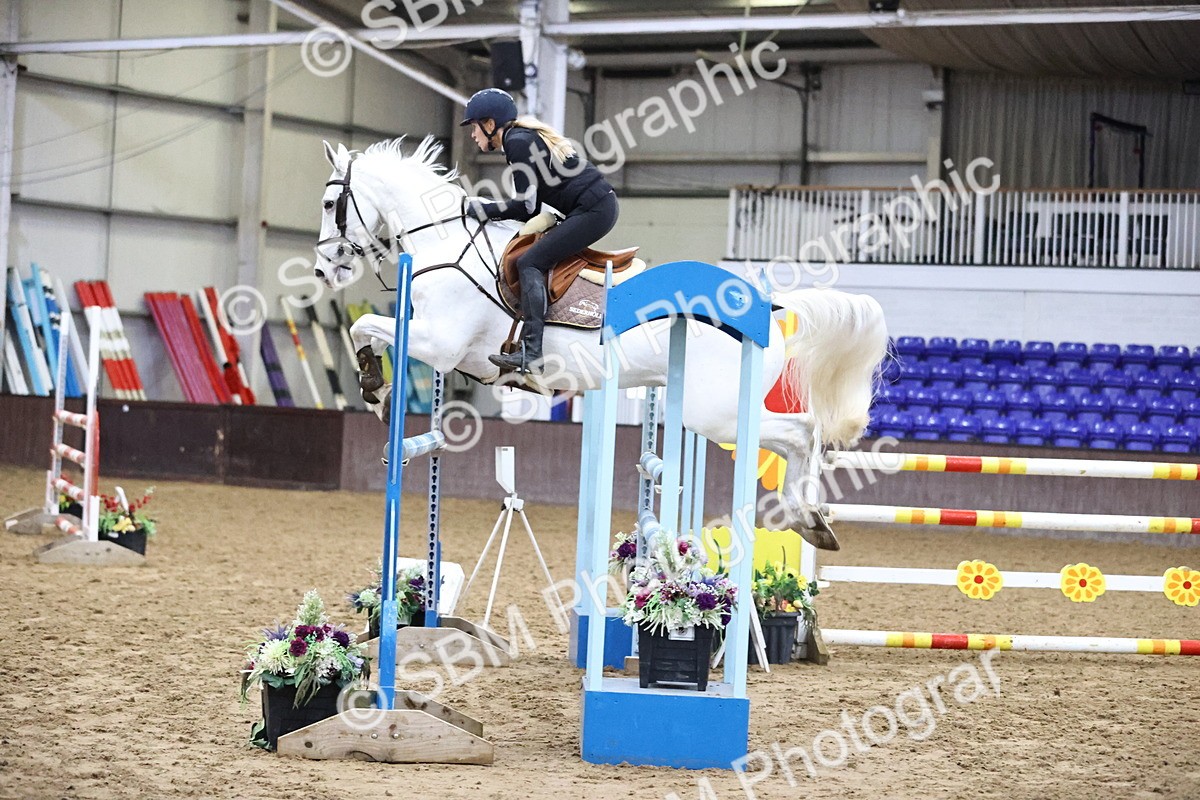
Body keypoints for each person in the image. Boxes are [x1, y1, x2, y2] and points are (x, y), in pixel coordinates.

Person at [460, 88, 618, 375]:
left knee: (529, 261)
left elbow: (526, 207)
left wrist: (481, 209)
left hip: (594, 210)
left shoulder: (518, 143)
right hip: (593, 207)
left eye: (474, 127)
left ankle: (531, 352)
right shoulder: (519, 139)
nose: (473, 135)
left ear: (490, 124)